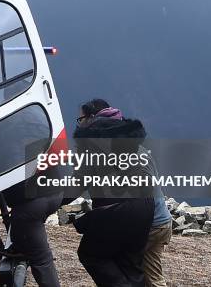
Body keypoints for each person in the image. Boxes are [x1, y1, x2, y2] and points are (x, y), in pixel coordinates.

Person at [71, 98, 155, 287]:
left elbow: (79, 182)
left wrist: (50, 201)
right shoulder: (127, 135)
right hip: (145, 205)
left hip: (116, 208)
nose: (79, 122)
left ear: (91, 117)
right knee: (131, 264)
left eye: (80, 119)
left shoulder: (91, 140)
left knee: (91, 254)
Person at [139, 146, 172, 287]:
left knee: (123, 265)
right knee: (153, 274)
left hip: (150, 224)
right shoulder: (141, 150)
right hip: (163, 221)